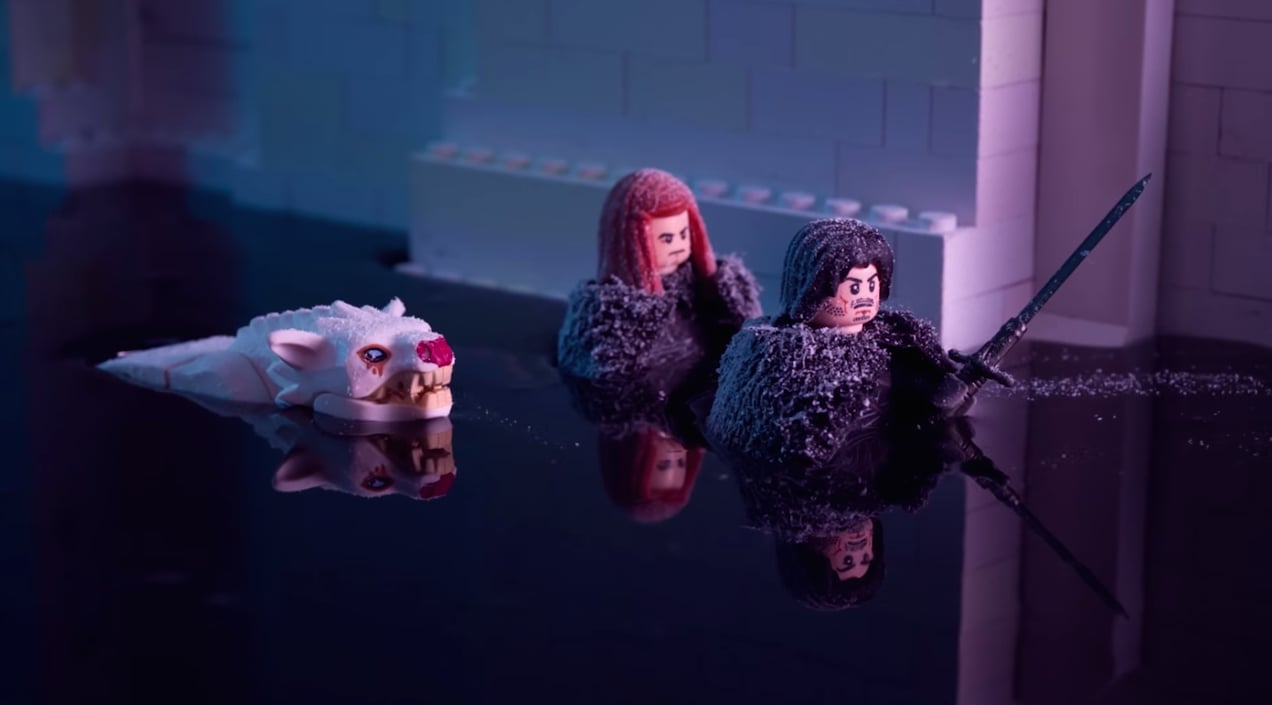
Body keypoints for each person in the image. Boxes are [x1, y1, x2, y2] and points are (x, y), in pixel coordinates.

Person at [706, 217, 970, 465]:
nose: (864, 296)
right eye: (853, 288)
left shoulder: (895, 340)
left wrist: (943, 392)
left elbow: (919, 395)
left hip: (883, 461)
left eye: (872, 285)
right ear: (812, 287)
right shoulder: (784, 358)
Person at [556, 168, 762, 387]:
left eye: (683, 234)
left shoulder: (707, 288)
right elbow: (606, 374)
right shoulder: (609, 314)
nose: (678, 245)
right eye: (666, 239)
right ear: (632, 239)